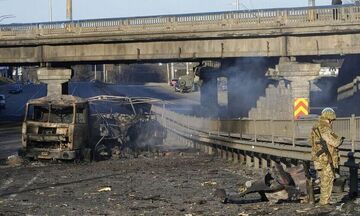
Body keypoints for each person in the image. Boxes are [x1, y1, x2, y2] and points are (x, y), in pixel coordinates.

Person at [310, 108, 344, 205]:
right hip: (325, 158)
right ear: (328, 118)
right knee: (328, 179)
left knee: (323, 179)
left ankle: (323, 201)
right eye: (332, 120)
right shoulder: (325, 128)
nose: (332, 122)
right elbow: (335, 142)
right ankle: (325, 202)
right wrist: (341, 139)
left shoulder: (316, 126)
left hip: (318, 157)